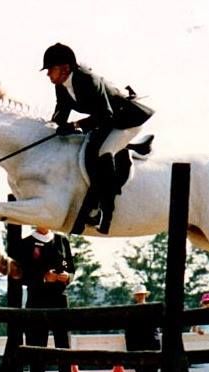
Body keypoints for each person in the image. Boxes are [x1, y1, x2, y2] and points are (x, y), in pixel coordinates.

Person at [41, 42, 154, 234]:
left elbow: (106, 115)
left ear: (65, 68)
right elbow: (61, 111)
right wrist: (54, 127)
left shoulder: (88, 80)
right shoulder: (61, 86)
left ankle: (104, 211)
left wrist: (76, 125)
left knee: (100, 153)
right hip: (106, 121)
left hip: (126, 120)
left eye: (51, 69)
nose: (48, 74)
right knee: (87, 147)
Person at [8, 227, 75, 372]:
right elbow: (20, 275)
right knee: (37, 345)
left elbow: (72, 267)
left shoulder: (61, 240)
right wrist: (43, 277)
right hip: (37, 299)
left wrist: (67, 277)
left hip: (59, 300)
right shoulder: (26, 244)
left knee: (63, 346)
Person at [124, 284, 161, 372]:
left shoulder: (131, 311)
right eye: (139, 295)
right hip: (141, 345)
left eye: (141, 295)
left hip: (145, 344)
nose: (140, 297)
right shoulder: (151, 309)